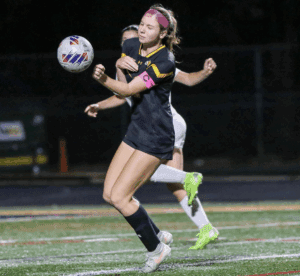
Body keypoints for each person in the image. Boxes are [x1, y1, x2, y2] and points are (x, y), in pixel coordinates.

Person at [85, 24, 219, 250]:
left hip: (165, 125)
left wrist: (204, 72)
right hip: (149, 127)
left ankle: (186, 182)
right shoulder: (127, 62)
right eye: (125, 42)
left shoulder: (156, 62)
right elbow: (122, 94)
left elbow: (180, 79)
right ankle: (205, 227)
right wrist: (100, 103)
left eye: (135, 38)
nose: (131, 44)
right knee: (172, 185)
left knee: (135, 179)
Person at [87, 4, 191, 273]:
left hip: (157, 135)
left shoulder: (165, 61)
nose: (142, 29)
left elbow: (130, 88)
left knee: (122, 197)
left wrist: (104, 78)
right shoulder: (132, 44)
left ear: (163, 34)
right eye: (142, 23)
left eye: (150, 27)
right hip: (137, 130)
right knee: (109, 194)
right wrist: (119, 66)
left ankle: (157, 249)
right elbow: (123, 92)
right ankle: (157, 234)